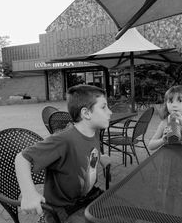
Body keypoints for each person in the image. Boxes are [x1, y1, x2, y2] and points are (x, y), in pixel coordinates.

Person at [15, 85, 112, 223]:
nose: (110, 112)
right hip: (62, 209)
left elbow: (89, 150)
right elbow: (22, 158)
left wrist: (100, 157)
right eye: (104, 107)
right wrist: (29, 193)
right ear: (86, 113)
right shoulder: (64, 139)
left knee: (122, 208)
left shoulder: (93, 131)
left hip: (87, 196)